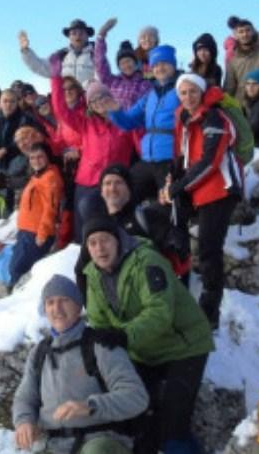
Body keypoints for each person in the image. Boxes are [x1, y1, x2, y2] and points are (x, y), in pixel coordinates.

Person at [79, 216, 213, 453]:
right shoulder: (93, 276)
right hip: (144, 351)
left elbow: (160, 312)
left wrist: (123, 336)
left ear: (118, 240)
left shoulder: (146, 261)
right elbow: (99, 322)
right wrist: (96, 352)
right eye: (93, 243)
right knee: (141, 417)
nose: (99, 248)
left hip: (184, 346)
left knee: (173, 422)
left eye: (105, 240)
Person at [12, 275, 148, 453]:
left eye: (64, 300)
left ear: (78, 306)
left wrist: (90, 406)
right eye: (50, 302)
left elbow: (136, 397)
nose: (57, 308)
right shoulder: (39, 353)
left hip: (100, 440)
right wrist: (24, 422)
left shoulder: (100, 345)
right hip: (53, 444)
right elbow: (25, 398)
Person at [163, 73, 243, 330]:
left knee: (209, 250)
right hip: (198, 188)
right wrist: (171, 178)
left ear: (201, 92)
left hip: (221, 189)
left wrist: (177, 187)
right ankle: (181, 289)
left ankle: (210, 313)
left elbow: (210, 161)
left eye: (193, 91)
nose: (188, 97)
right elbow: (182, 155)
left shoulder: (214, 118)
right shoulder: (185, 119)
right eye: (183, 93)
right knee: (174, 230)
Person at [50, 55, 133, 243]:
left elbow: (140, 143)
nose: (99, 103)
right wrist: (56, 78)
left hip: (115, 183)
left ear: (110, 98)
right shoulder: (85, 123)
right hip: (88, 182)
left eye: (103, 97)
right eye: (94, 101)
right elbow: (61, 111)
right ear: (90, 106)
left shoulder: (125, 122)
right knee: (83, 227)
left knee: (113, 225)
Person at [74, 165, 190, 297]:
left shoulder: (147, 217)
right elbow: (81, 270)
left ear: (129, 188)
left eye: (118, 182)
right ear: (101, 191)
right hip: (115, 303)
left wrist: (174, 241)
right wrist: (92, 309)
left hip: (151, 297)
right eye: (107, 183)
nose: (112, 188)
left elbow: (180, 255)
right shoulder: (96, 227)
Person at [108, 44, 180, 204]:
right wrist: (115, 111)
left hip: (171, 159)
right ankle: (129, 227)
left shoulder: (181, 90)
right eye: (156, 65)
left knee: (171, 205)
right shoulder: (149, 95)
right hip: (147, 158)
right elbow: (128, 122)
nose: (160, 68)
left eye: (164, 63)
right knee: (125, 192)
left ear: (173, 65)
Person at [9, 143, 64, 286]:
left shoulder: (50, 178)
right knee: (16, 267)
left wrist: (42, 234)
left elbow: (50, 208)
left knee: (17, 269)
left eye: (40, 157)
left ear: (48, 157)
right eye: (32, 158)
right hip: (27, 230)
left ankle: (15, 299)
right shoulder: (38, 175)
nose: (36, 161)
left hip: (36, 233)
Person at [93, 18, 151, 109]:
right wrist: (101, 36)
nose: (126, 65)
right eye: (122, 63)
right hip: (113, 122)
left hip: (134, 122)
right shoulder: (112, 82)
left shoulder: (144, 84)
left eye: (128, 61)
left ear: (135, 62)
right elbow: (100, 62)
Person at [20, 19, 96, 86]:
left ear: (87, 36)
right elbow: (41, 67)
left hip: (90, 100)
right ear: (69, 37)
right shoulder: (61, 55)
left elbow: (102, 78)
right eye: (74, 33)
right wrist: (26, 51)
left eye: (81, 33)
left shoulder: (96, 55)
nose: (78, 36)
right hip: (67, 100)